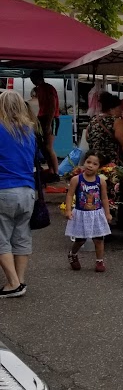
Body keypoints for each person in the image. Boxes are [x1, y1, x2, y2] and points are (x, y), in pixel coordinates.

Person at [0, 91, 37, 298]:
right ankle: (20, 280)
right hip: (27, 190)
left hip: (4, 188)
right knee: (21, 236)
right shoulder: (28, 131)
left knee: (1, 237)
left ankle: (12, 283)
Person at [64, 151, 112, 272]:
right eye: (88, 162)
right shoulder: (76, 179)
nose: (90, 165)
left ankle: (99, 261)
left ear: (99, 167)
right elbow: (70, 195)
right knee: (80, 239)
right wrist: (68, 210)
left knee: (99, 239)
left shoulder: (100, 181)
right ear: (84, 162)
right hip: (81, 214)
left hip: (96, 214)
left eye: (94, 164)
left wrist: (107, 213)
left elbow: (104, 198)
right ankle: (73, 254)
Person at [86, 92, 123, 168]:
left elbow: (87, 138)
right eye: (119, 108)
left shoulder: (93, 119)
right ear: (111, 109)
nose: (121, 111)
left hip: (94, 162)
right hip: (111, 165)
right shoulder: (116, 122)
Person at [29, 69, 60, 178]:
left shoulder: (48, 88)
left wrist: (49, 123)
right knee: (43, 146)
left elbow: (52, 106)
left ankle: (56, 172)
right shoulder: (39, 89)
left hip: (51, 118)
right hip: (42, 117)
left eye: (33, 79)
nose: (32, 81)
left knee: (48, 147)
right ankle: (51, 169)